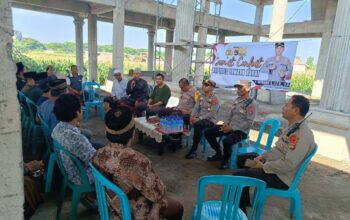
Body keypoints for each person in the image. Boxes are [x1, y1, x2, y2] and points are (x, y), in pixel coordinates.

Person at [92, 106, 183, 220]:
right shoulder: (139, 161)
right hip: (131, 213)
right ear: (133, 134)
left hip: (108, 208)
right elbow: (157, 193)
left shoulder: (98, 154)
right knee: (177, 207)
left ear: (106, 132)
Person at [233, 95, 315, 213]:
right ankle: (244, 201)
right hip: (274, 166)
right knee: (242, 160)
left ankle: (239, 213)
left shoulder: (301, 134)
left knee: (237, 175)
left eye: (286, 105)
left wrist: (263, 167)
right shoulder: (292, 127)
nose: (283, 108)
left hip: (282, 177)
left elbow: (288, 164)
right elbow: (278, 148)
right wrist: (263, 156)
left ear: (296, 111)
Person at [205, 80, 257, 169]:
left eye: (241, 87)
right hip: (230, 127)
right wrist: (226, 124)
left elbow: (249, 122)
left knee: (227, 141)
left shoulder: (252, 103)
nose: (238, 89)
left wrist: (232, 128)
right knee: (208, 132)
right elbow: (231, 115)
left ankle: (225, 160)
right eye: (237, 87)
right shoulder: (237, 100)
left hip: (240, 131)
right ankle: (218, 153)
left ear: (248, 89)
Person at [51, 94, 96, 185]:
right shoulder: (76, 139)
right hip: (81, 177)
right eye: (81, 108)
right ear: (77, 112)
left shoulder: (58, 127)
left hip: (68, 170)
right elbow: (95, 160)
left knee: (98, 145)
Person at [185, 80, 219, 159]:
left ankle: (194, 149)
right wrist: (191, 117)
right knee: (184, 118)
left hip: (210, 120)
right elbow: (196, 108)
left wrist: (199, 118)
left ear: (212, 87)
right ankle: (176, 141)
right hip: (199, 118)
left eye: (207, 85)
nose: (204, 86)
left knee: (198, 125)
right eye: (204, 84)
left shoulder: (215, 98)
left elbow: (212, 113)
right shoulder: (201, 96)